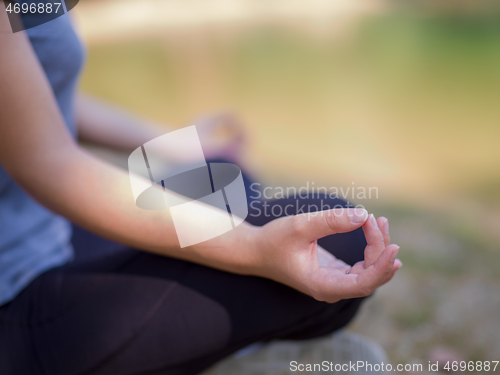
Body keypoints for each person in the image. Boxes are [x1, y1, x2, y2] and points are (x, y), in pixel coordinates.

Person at [0, 6, 402, 375]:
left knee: (222, 179)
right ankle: (227, 354)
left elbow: (36, 89)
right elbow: (48, 164)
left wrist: (169, 143)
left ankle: (219, 345)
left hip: (47, 229)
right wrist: (253, 247)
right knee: (338, 241)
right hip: (12, 297)